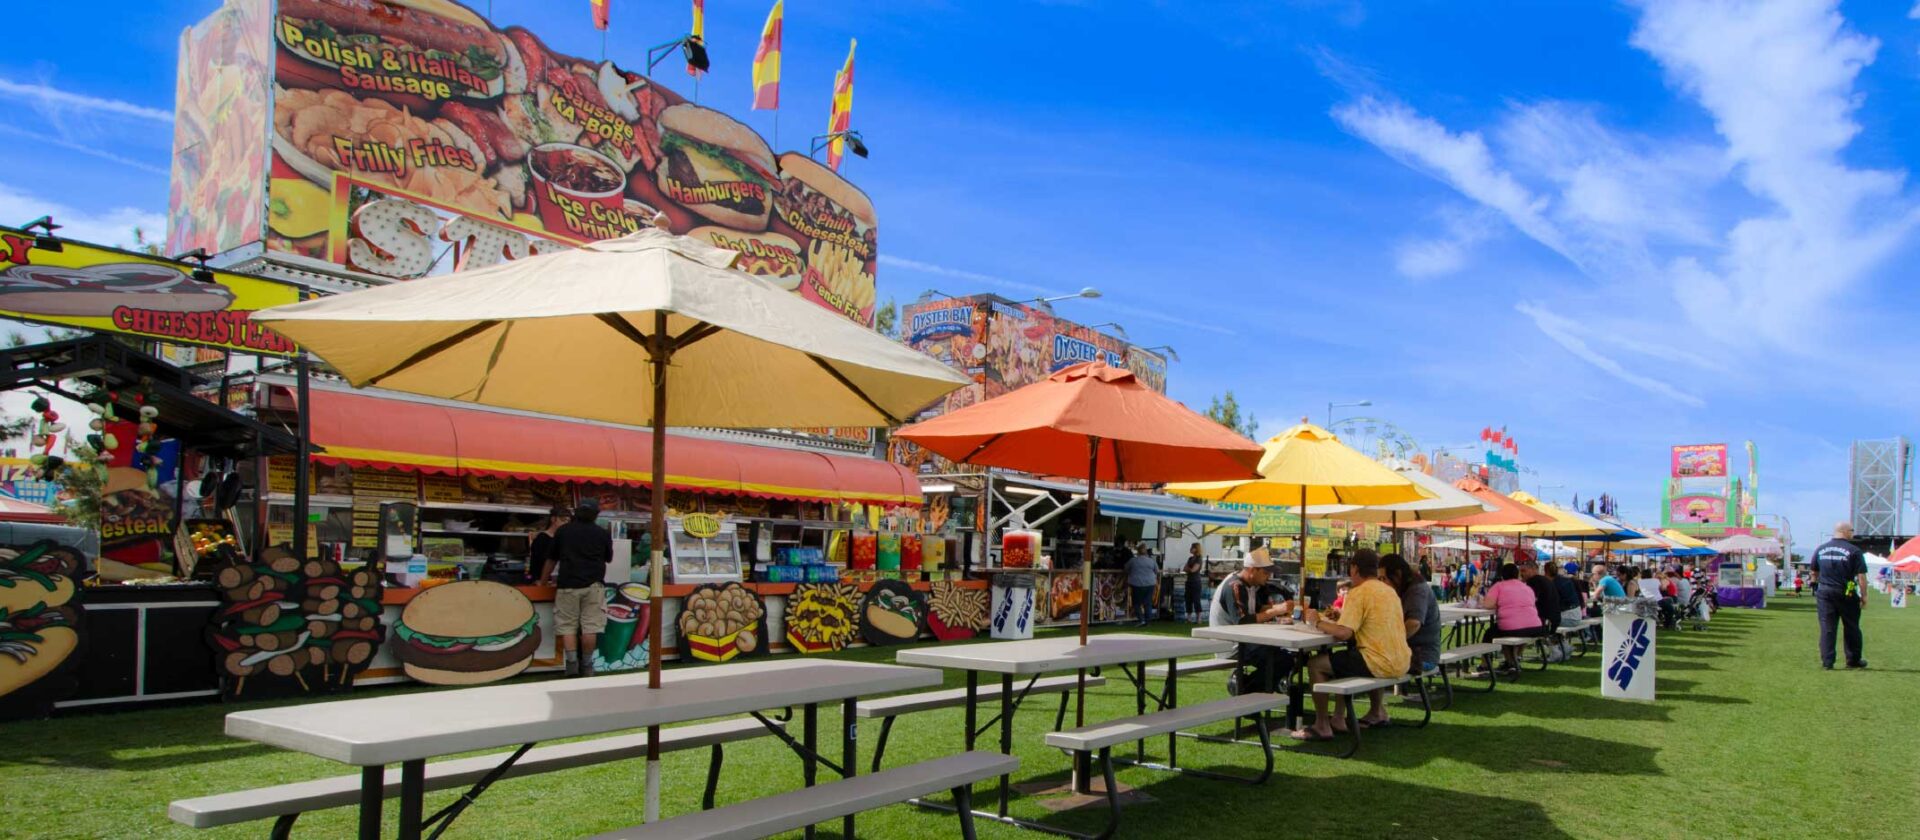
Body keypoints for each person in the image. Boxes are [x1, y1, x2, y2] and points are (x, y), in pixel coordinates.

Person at [1292, 550, 1410, 738]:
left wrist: (1317, 622)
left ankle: (1322, 724)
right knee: (1342, 661)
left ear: (1354, 568)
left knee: (1316, 664)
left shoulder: (1359, 592)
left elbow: (1344, 634)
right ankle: (1339, 717)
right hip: (1401, 660)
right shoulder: (1389, 591)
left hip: (1377, 661)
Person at [543, 502, 613, 678]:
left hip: (567, 585)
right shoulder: (602, 533)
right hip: (594, 586)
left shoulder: (563, 531)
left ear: (576, 513)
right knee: (590, 627)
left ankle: (572, 665)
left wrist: (543, 580)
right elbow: (609, 558)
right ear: (596, 515)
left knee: (568, 626)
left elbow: (551, 559)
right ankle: (588, 666)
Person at [1210, 549, 1294, 694]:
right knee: (1282, 660)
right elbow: (1242, 621)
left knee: (1283, 658)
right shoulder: (1235, 586)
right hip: (1231, 647)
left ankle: (1252, 688)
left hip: (1242, 642)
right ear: (1252, 570)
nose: (1268, 577)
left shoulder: (1247, 585)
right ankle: (1245, 689)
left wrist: (1281, 608)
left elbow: (1257, 609)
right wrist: (1276, 610)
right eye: (1265, 573)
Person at [1810, 522, 1869, 670]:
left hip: (1825, 592)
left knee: (1827, 628)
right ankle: (1853, 660)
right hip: (1846, 592)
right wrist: (1864, 595)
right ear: (1844, 531)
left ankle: (1827, 662)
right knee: (1851, 627)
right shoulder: (1854, 551)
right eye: (1851, 530)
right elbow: (1861, 576)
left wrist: (1815, 587)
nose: (1853, 533)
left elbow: (1813, 572)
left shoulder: (1820, 549)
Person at [1381, 553, 1441, 677]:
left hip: (1422, 657)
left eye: (1384, 578)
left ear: (1397, 575)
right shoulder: (1403, 588)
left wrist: (1390, 642)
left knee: (1370, 660)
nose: (1382, 584)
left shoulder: (1417, 590)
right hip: (1410, 652)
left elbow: (1414, 623)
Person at [1482, 562, 1548, 672]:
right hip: (1535, 627)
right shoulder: (1526, 587)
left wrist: (1497, 603)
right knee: (1510, 633)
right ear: (1517, 574)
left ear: (1502, 575)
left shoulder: (1499, 586)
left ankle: (1485, 664)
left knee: (1491, 633)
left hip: (1512, 627)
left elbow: (1488, 605)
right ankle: (1513, 661)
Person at [1520, 560, 1565, 661]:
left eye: (1524, 570)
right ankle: (1559, 649)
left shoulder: (1533, 581)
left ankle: (1515, 656)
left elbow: (1531, 600)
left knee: (1517, 627)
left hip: (1545, 620)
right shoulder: (1545, 580)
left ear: (1533, 569)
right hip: (1554, 617)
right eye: (1520, 571)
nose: (1521, 574)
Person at [526, 505, 569, 584]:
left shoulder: (564, 538)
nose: (566, 523)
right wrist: (537, 579)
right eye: (563, 520)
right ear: (553, 519)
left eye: (568, 521)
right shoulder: (542, 538)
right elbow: (536, 563)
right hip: (544, 581)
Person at [1125, 543, 1160, 626]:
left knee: (1136, 603)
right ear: (1146, 552)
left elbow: (1126, 569)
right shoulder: (1151, 561)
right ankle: (1148, 621)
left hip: (1137, 584)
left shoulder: (1133, 560)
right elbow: (1157, 571)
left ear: (1138, 551)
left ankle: (1141, 619)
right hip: (1150, 583)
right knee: (1148, 603)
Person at [1183, 544, 1207, 624]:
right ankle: (1189, 618)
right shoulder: (1190, 558)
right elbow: (1184, 568)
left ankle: (1199, 618)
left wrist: (1188, 569)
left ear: (1196, 549)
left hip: (1196, 582)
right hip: (1189, 581)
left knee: (1196, 600)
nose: (1190, 549)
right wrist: (1189, 569)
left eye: (1192, 548)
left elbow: (1194, 570)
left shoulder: (1199, 558)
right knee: (1188, 600)